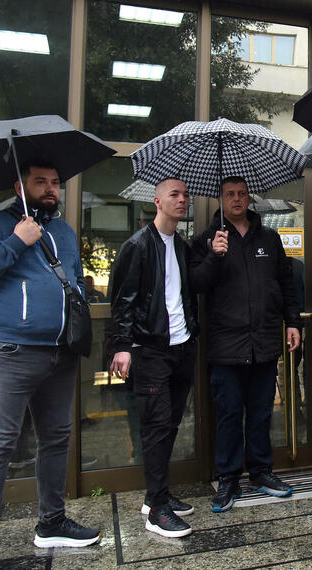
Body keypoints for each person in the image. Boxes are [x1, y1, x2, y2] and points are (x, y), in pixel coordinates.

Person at [0, 160, 101, 570]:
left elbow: (72, 278)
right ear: (21, 185)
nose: (51, 189)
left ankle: (51, 522)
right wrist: (16, 241)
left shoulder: (64, 230)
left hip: (60, 351)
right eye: (42, 182)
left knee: (56, 439)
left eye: (55, 182)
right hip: (13, 351)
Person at [189, 177, 302, 512]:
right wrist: (214, 256)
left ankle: (261, 471)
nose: (236, 200)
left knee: (261, 412)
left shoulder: (268, 237)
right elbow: (196, 284)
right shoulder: (206, 241)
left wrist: (293, 322)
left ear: (248, 197)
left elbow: (285, 283)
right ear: (220, 200)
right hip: (226, 346)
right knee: (228, 414)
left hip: (265, 341)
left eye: (241, 194)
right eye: (229, 195)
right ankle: (228, 479)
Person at [109, 178, 199, 538]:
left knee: (171, 423)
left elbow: (186, 294)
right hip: (150, 350)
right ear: (158, 201)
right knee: (155, 426)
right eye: (174, 195)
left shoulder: (181, 245)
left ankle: (156, 495)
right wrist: (122, 345)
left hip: (181, 347)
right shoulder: (138, 245)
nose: (182, 200)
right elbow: (123, 300)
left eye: (185, 195)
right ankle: (157, 510)